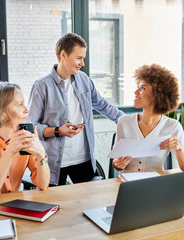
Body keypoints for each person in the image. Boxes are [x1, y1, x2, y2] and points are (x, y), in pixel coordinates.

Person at [28, 33, 124, 186]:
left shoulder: (85, 80)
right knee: (56, 207)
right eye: (79, 58)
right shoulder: (41, 86)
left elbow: (104, 106)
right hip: (54, 162)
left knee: (92, 204)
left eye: (83, 58)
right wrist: (58, 130)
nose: (82, 63)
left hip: (83, 159)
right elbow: (31, 127)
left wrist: (132, 122)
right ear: (63, 55)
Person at [113, 64, 184, 172]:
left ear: (158, 94)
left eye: (143, 88)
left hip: (155, 184)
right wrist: (117, 164)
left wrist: (178, 148)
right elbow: (116, 162)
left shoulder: (172, 126)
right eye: (138, 87)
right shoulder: (124, 122)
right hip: (127, 184)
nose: (136, 92)